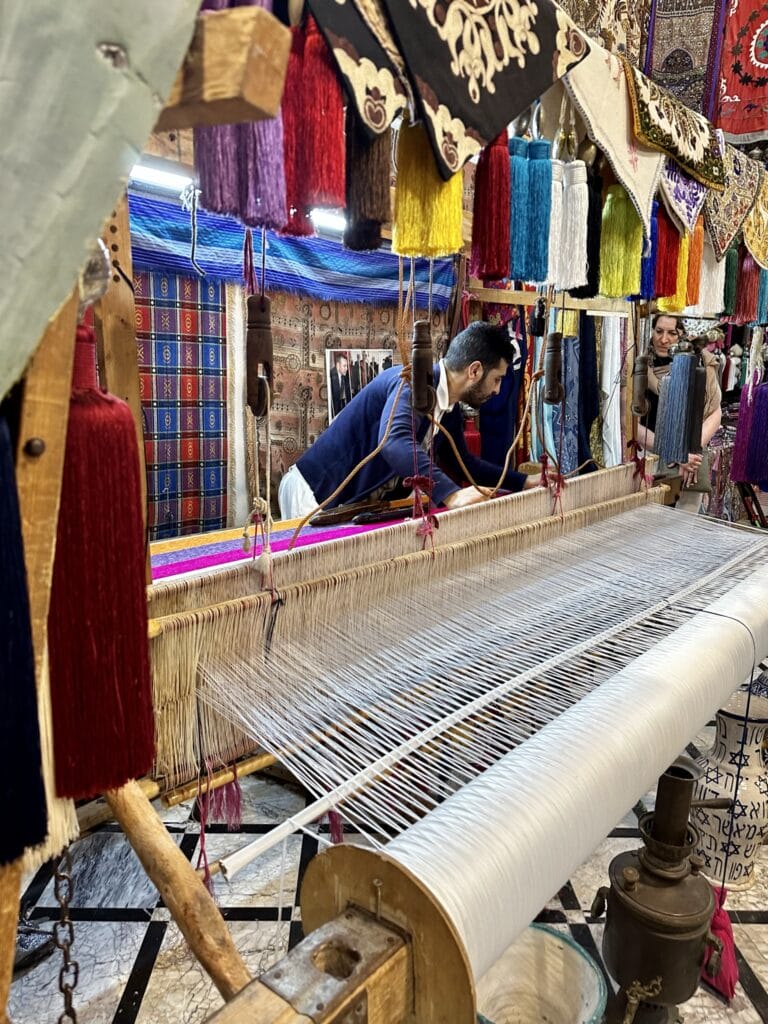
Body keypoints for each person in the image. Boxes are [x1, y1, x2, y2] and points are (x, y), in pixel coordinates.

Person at [279, 322, 539, 519]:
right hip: (313, 492)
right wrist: (451, 494)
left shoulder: (448, 407)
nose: (497, 390)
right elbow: (394, 441)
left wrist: (523, 482)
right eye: (497, 379)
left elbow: (464, 464)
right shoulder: (412, 384)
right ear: (475, 370)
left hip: (346, 501)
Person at [636, 313, 722, 498]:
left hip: (691, 460)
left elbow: (715, 413)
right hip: (649, 455)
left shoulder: (701, 363)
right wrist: (673, 452)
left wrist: (690, 452)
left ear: (682, 334)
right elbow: (628, 424)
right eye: (658, 331)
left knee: (683, 523)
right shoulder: (640, 365)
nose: (664, 339)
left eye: (672, 333)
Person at [329, 353, 352, 418]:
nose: (346, 368)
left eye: (347, 366)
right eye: (344, 366)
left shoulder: (344, 376)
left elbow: (347, 395)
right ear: (338, 365)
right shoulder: (330, 376)